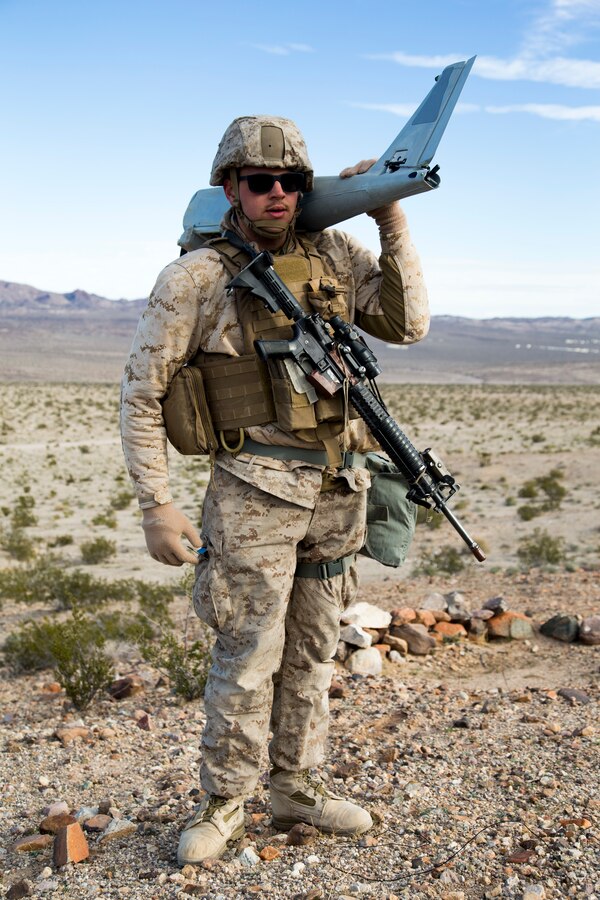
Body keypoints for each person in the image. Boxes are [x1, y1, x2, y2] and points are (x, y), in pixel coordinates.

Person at [120, 115, 429, 865]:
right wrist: (156, 505)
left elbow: (407, 322)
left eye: (293, 181)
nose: (279, 195)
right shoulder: (195, 278)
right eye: (260, 182)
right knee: (247, 651)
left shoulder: (333, 252)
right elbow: (139, 393)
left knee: (314, 649)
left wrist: (389, 219)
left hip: (336, 486)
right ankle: (224, 801)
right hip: (254, 492)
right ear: (230, 186)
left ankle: (299, 787)